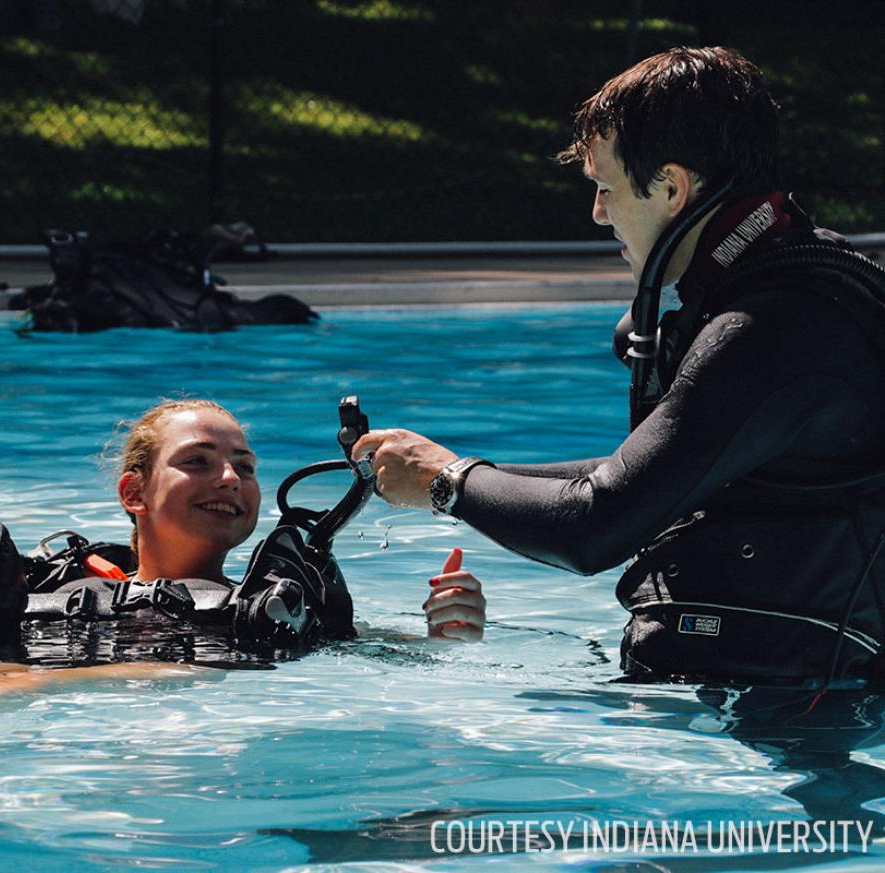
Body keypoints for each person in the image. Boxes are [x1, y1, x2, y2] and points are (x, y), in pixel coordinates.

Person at [356, 46, 885, 685]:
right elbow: (642, 476)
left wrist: (448, 481)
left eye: (606, 189)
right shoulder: (788, 282)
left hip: (800, 704)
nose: (599, 213)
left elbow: (598, 525)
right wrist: (433, 467)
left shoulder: (774, 330)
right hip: (768, 687)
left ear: (671, 187)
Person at [0, 400, 487, 739]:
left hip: (142, 688)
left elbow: (377, 655)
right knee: (7, 674)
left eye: (244, 465)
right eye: (200, 461)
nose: (230, 478)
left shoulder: (262, 603)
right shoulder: (63, 578)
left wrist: (448, 637)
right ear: (132, 493)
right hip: (43, 673)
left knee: (21, 680)